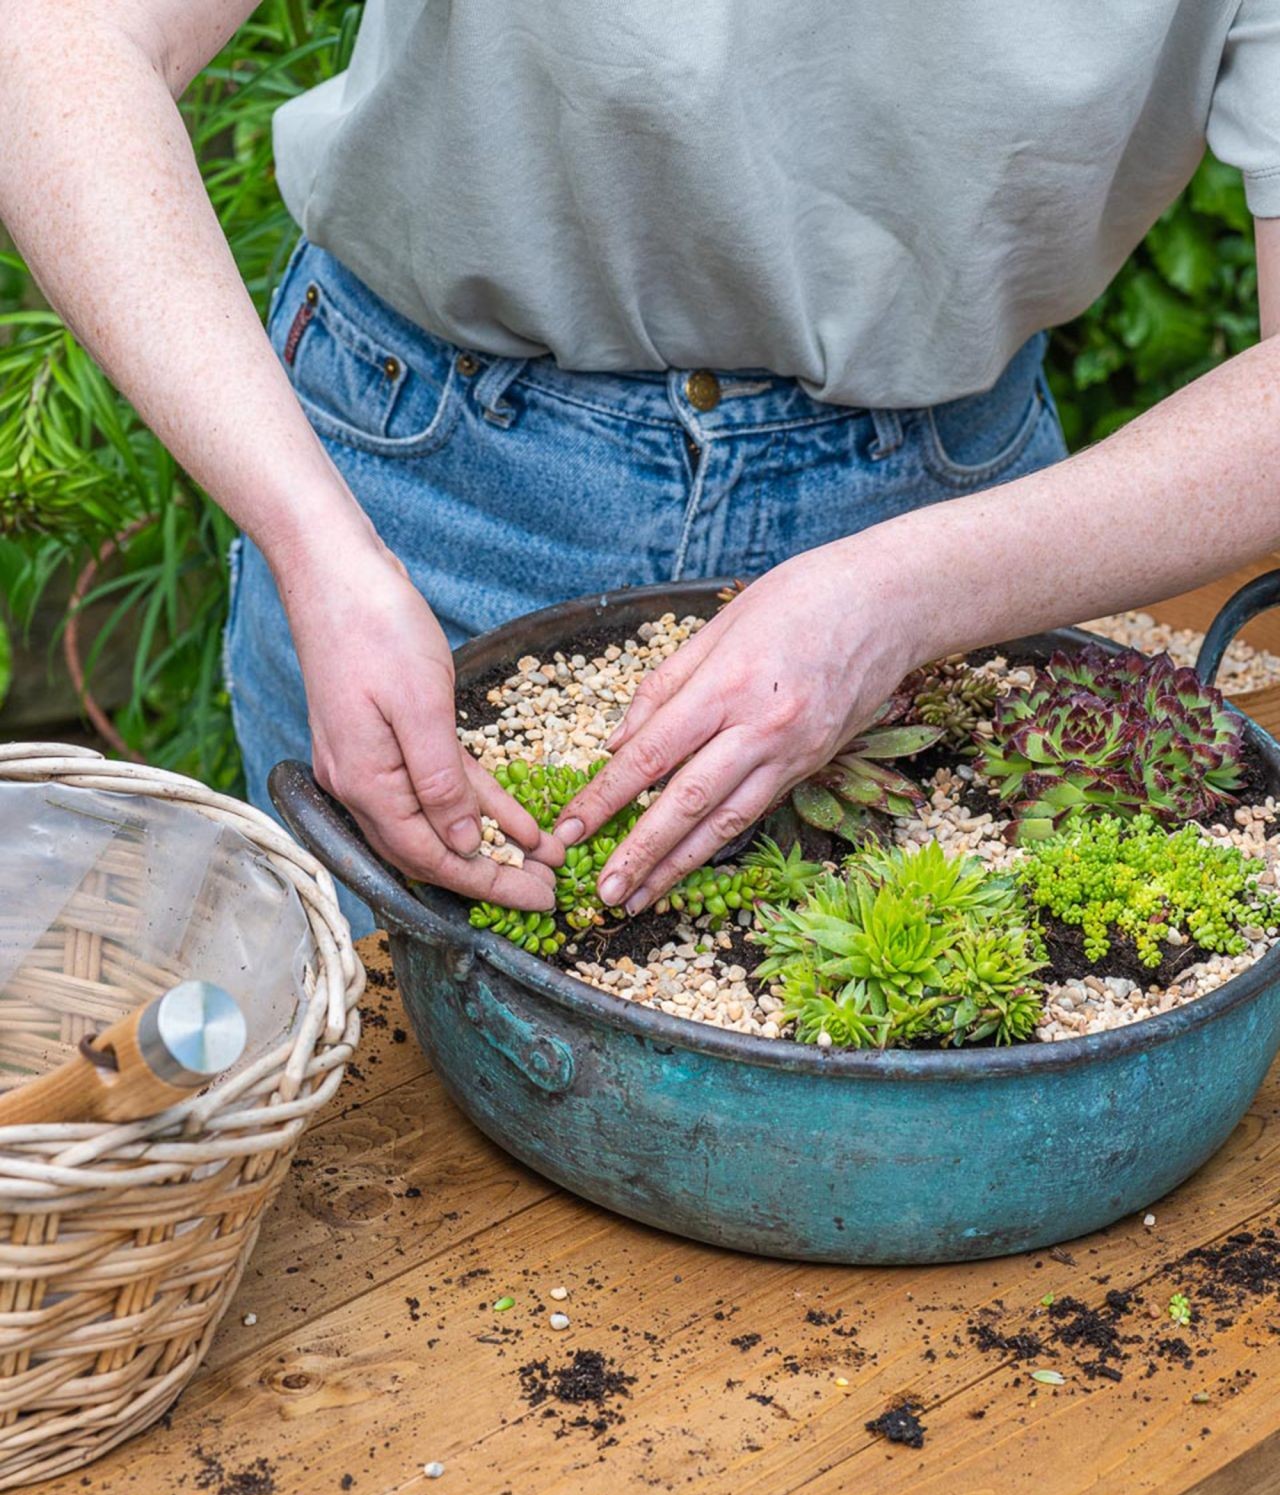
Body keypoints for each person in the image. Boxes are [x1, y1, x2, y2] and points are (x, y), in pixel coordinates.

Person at [3, 1, 1280, 937]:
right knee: (369, 1149)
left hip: (950, 519)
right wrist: (317, 545)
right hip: (424, 495)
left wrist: (911, 594)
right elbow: (57, 41)